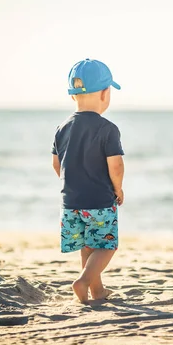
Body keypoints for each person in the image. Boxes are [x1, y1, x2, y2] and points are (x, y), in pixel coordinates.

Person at [51, 58, 125, 303]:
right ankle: (83, 281)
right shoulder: (108, 129)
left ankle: (96, 291)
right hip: (99, 200)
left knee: (87, 246)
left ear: (73, 95)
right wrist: (118, 188)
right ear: (105, 94)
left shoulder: (62, 127)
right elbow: (115, 165)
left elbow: (56, 164)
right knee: (106, 245)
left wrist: (73, 184)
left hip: (70, 202)